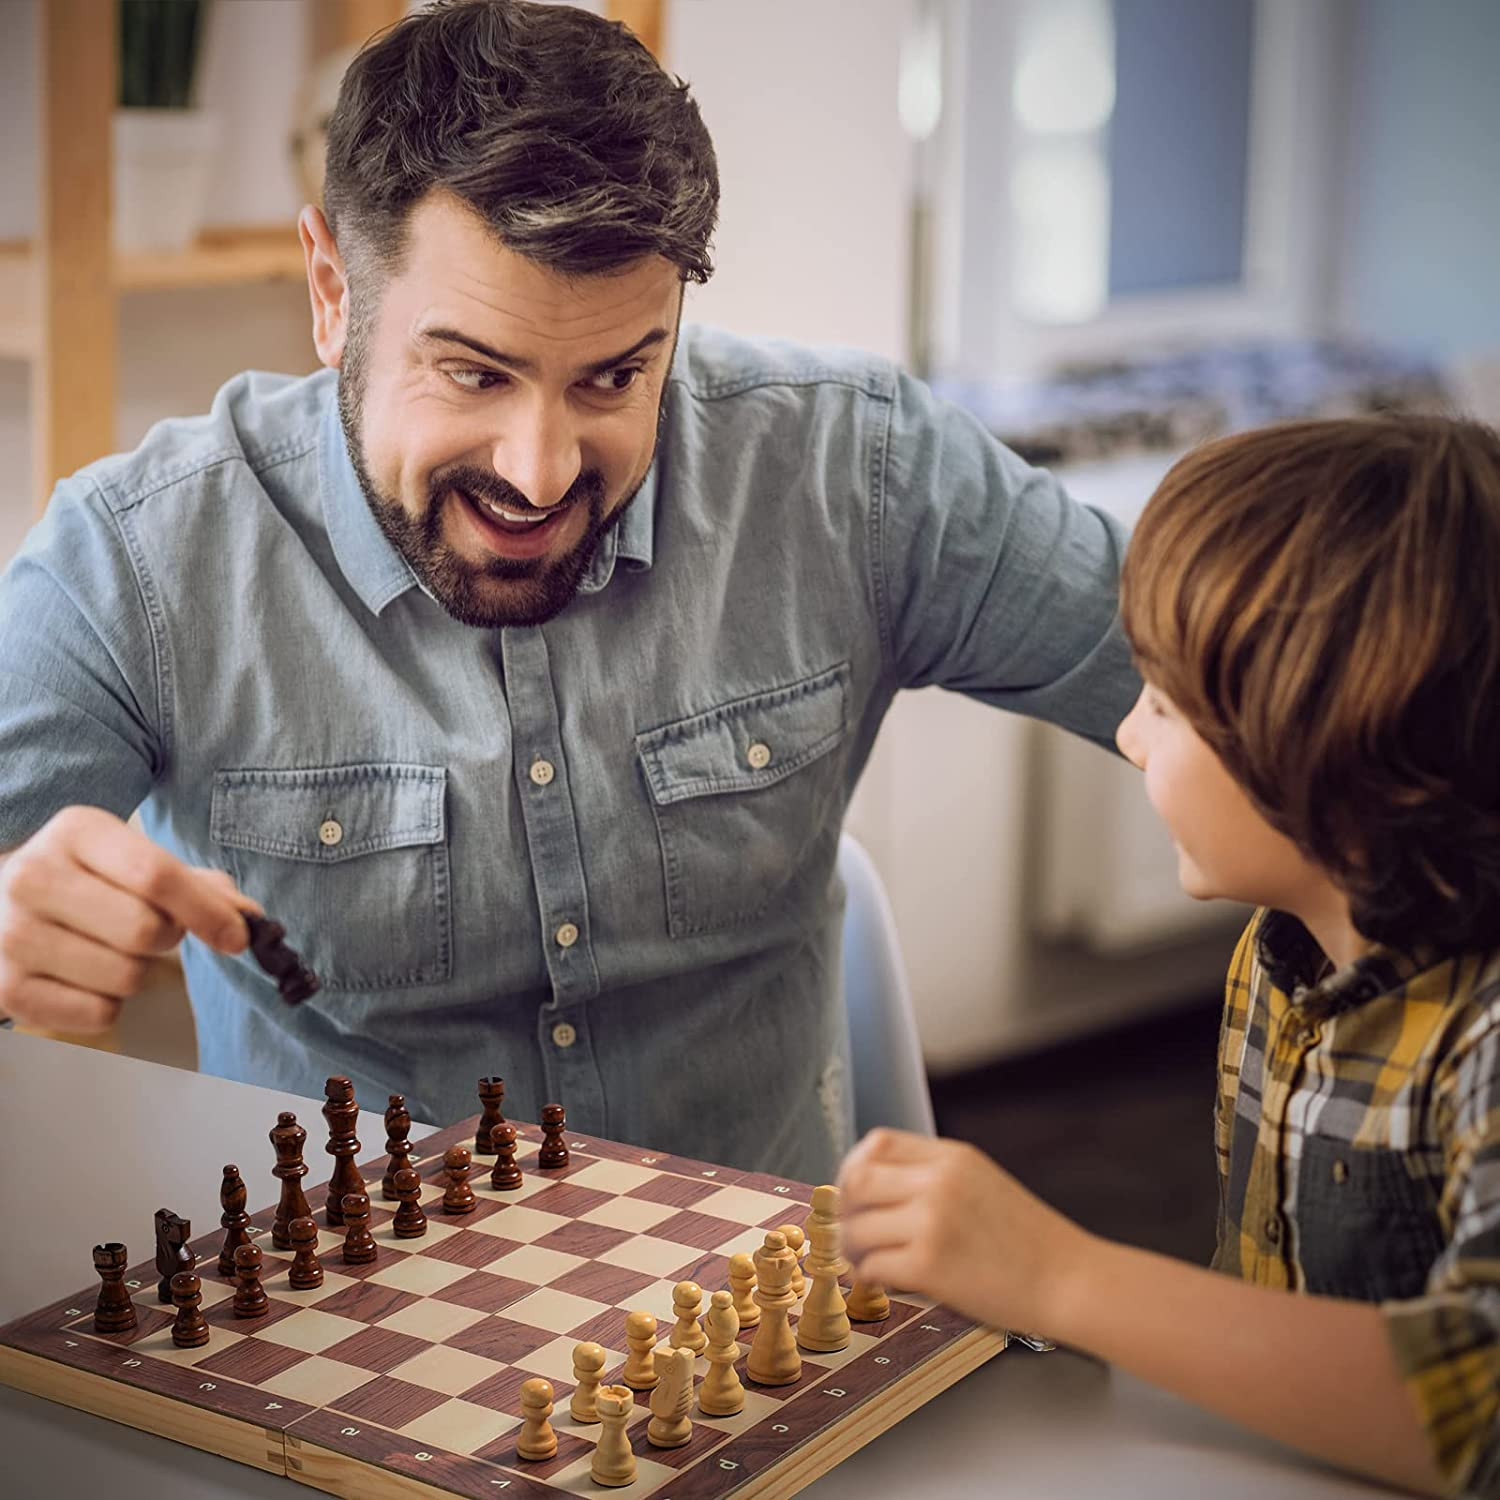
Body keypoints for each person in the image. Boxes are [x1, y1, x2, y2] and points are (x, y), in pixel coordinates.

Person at [0, 0, 1135, 1182]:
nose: (539, 473)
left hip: (759, 1291)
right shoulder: (138, 559)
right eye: (472, 374)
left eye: (614, 377)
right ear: (333, 292)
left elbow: (1219, 678)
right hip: (365, 1293)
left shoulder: (858, 470)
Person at [840, 414, 1500, 1496]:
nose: (1129, 736)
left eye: (1161, 703)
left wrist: (1058, 1275)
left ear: (1319, 747)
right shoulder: (1274, 957)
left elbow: (1479, 1411)